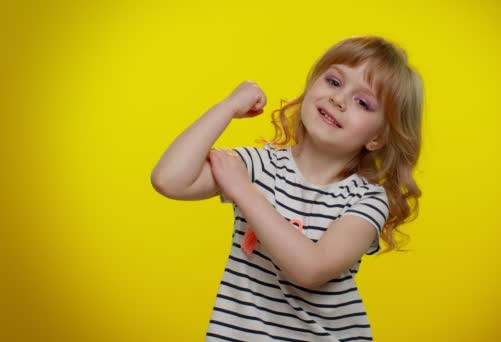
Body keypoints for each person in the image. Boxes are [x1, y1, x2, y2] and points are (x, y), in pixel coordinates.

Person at [151, 35, 423, 341]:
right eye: (333, 81)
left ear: (376, 138)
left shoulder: (367, 199)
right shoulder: (260, 165)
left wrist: (243, 191)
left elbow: (311, 269)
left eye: (362, 102)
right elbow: (169, 179)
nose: (339, 99)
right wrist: (227, 107)